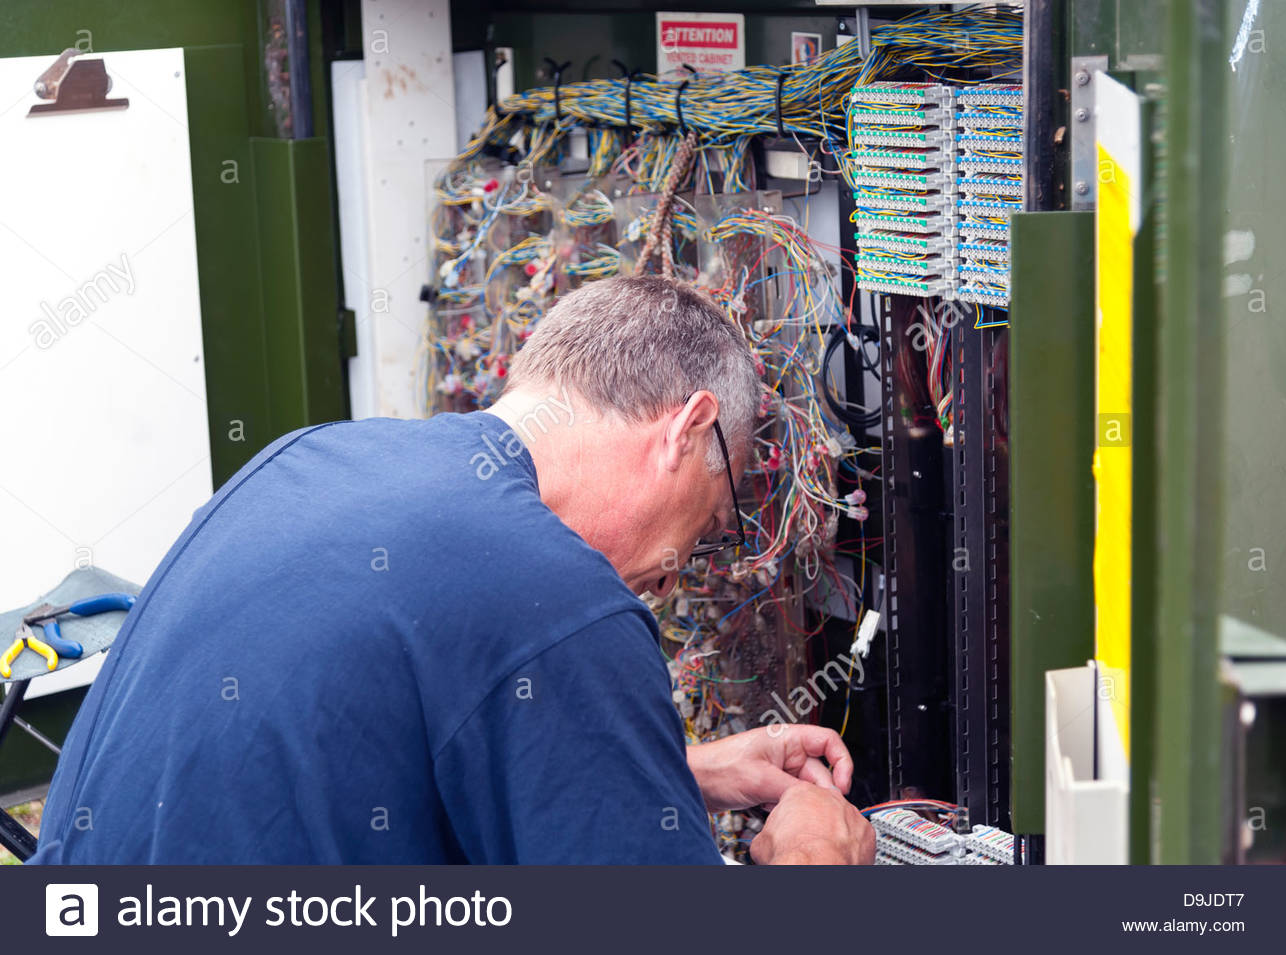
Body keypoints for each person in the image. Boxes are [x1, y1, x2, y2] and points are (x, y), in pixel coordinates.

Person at [30, 276, 875, 865]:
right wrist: (814, 853)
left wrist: (678, 771)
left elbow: (358, 746)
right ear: (687, 430)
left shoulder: (309, 458)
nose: (686, 560)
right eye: (716, 510)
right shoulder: (559, 597)